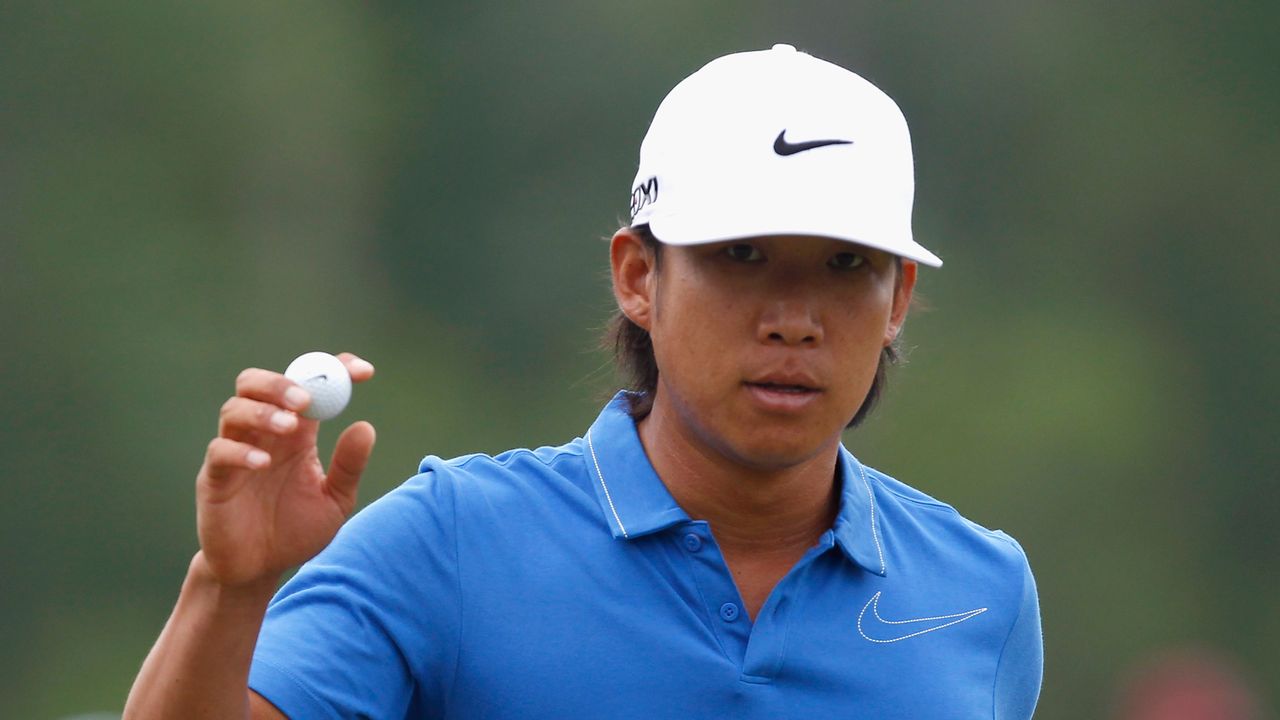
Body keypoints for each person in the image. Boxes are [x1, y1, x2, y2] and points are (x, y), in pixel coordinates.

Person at [125, 44, 1043, 719]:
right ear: (640, 277)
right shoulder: (449, 540)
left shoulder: (982, 591)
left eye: (847, 265)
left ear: (898, 301)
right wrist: (228, 588)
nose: (793, 317)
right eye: (744, 256)